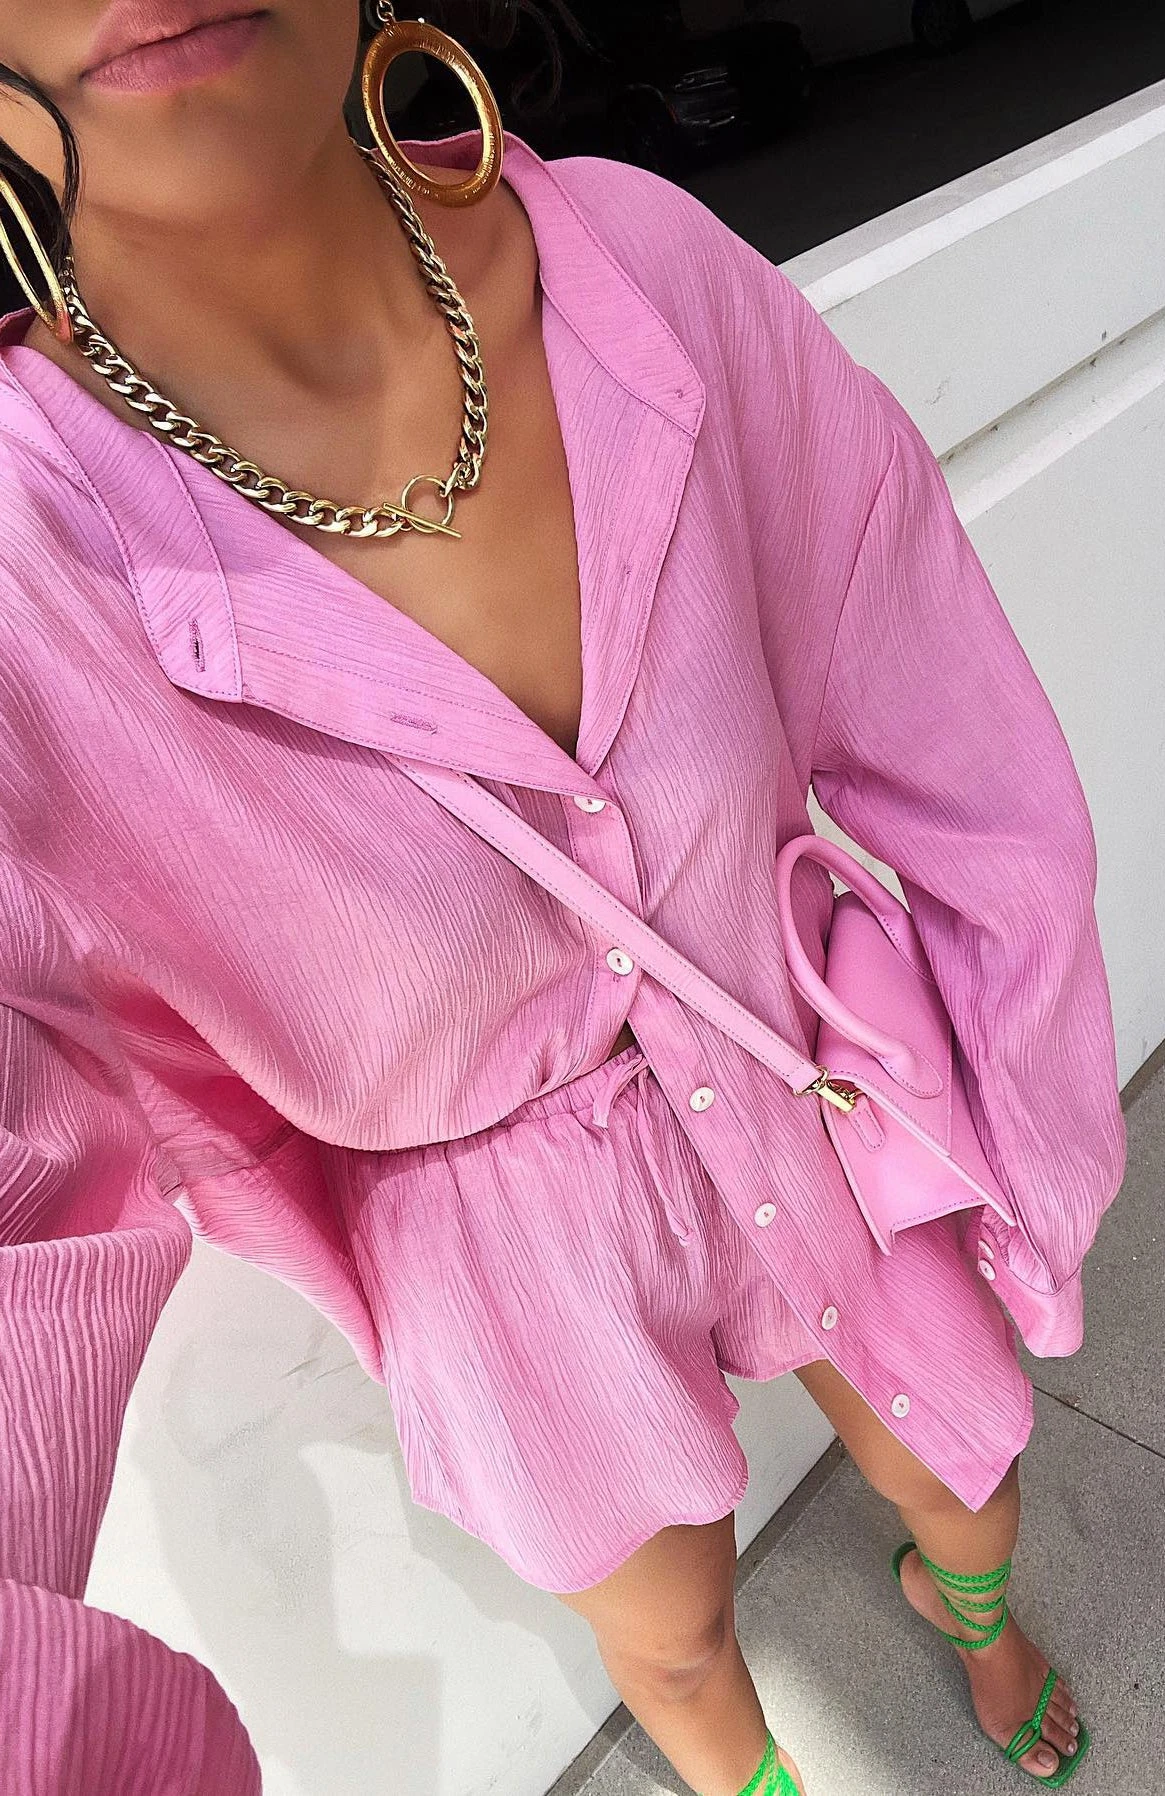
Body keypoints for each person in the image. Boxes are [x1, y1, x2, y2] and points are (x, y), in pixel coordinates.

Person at [0, 2, 1127, 1793]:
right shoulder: (24, 579)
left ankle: (970, 1613)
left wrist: (1030, 1136)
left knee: (970, 1474)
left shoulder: (636, 267)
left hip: (806, 1079)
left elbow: (933, 697)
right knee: (670, 1634)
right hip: (511, 1262)